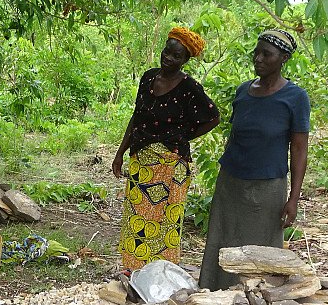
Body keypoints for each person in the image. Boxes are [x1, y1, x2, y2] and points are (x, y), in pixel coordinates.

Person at [198, 29, 310, 290]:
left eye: (266, 54)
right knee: (224, 238)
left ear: (283, 58)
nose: (258, 59)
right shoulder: (243, 92)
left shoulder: (295, 98)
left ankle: (258, 298)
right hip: (231, 182)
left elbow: (299, 149)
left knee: (261, 246)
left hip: (267, 187)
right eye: (256, 53)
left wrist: (293, 198)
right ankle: (217, 293)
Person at [113, 27, 220, 270]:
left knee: (164, 223)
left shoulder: (189, 87)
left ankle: (160, 275)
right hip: (141, 159)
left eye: (176, 56)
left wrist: (182, 137)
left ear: (185, 60)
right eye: (167, 52)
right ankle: (133, 272)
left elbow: (213, 117)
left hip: (171, 164)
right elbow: (136, 116)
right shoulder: (148, 77)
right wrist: (120, 153)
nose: (168, 59)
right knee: (137, 219)